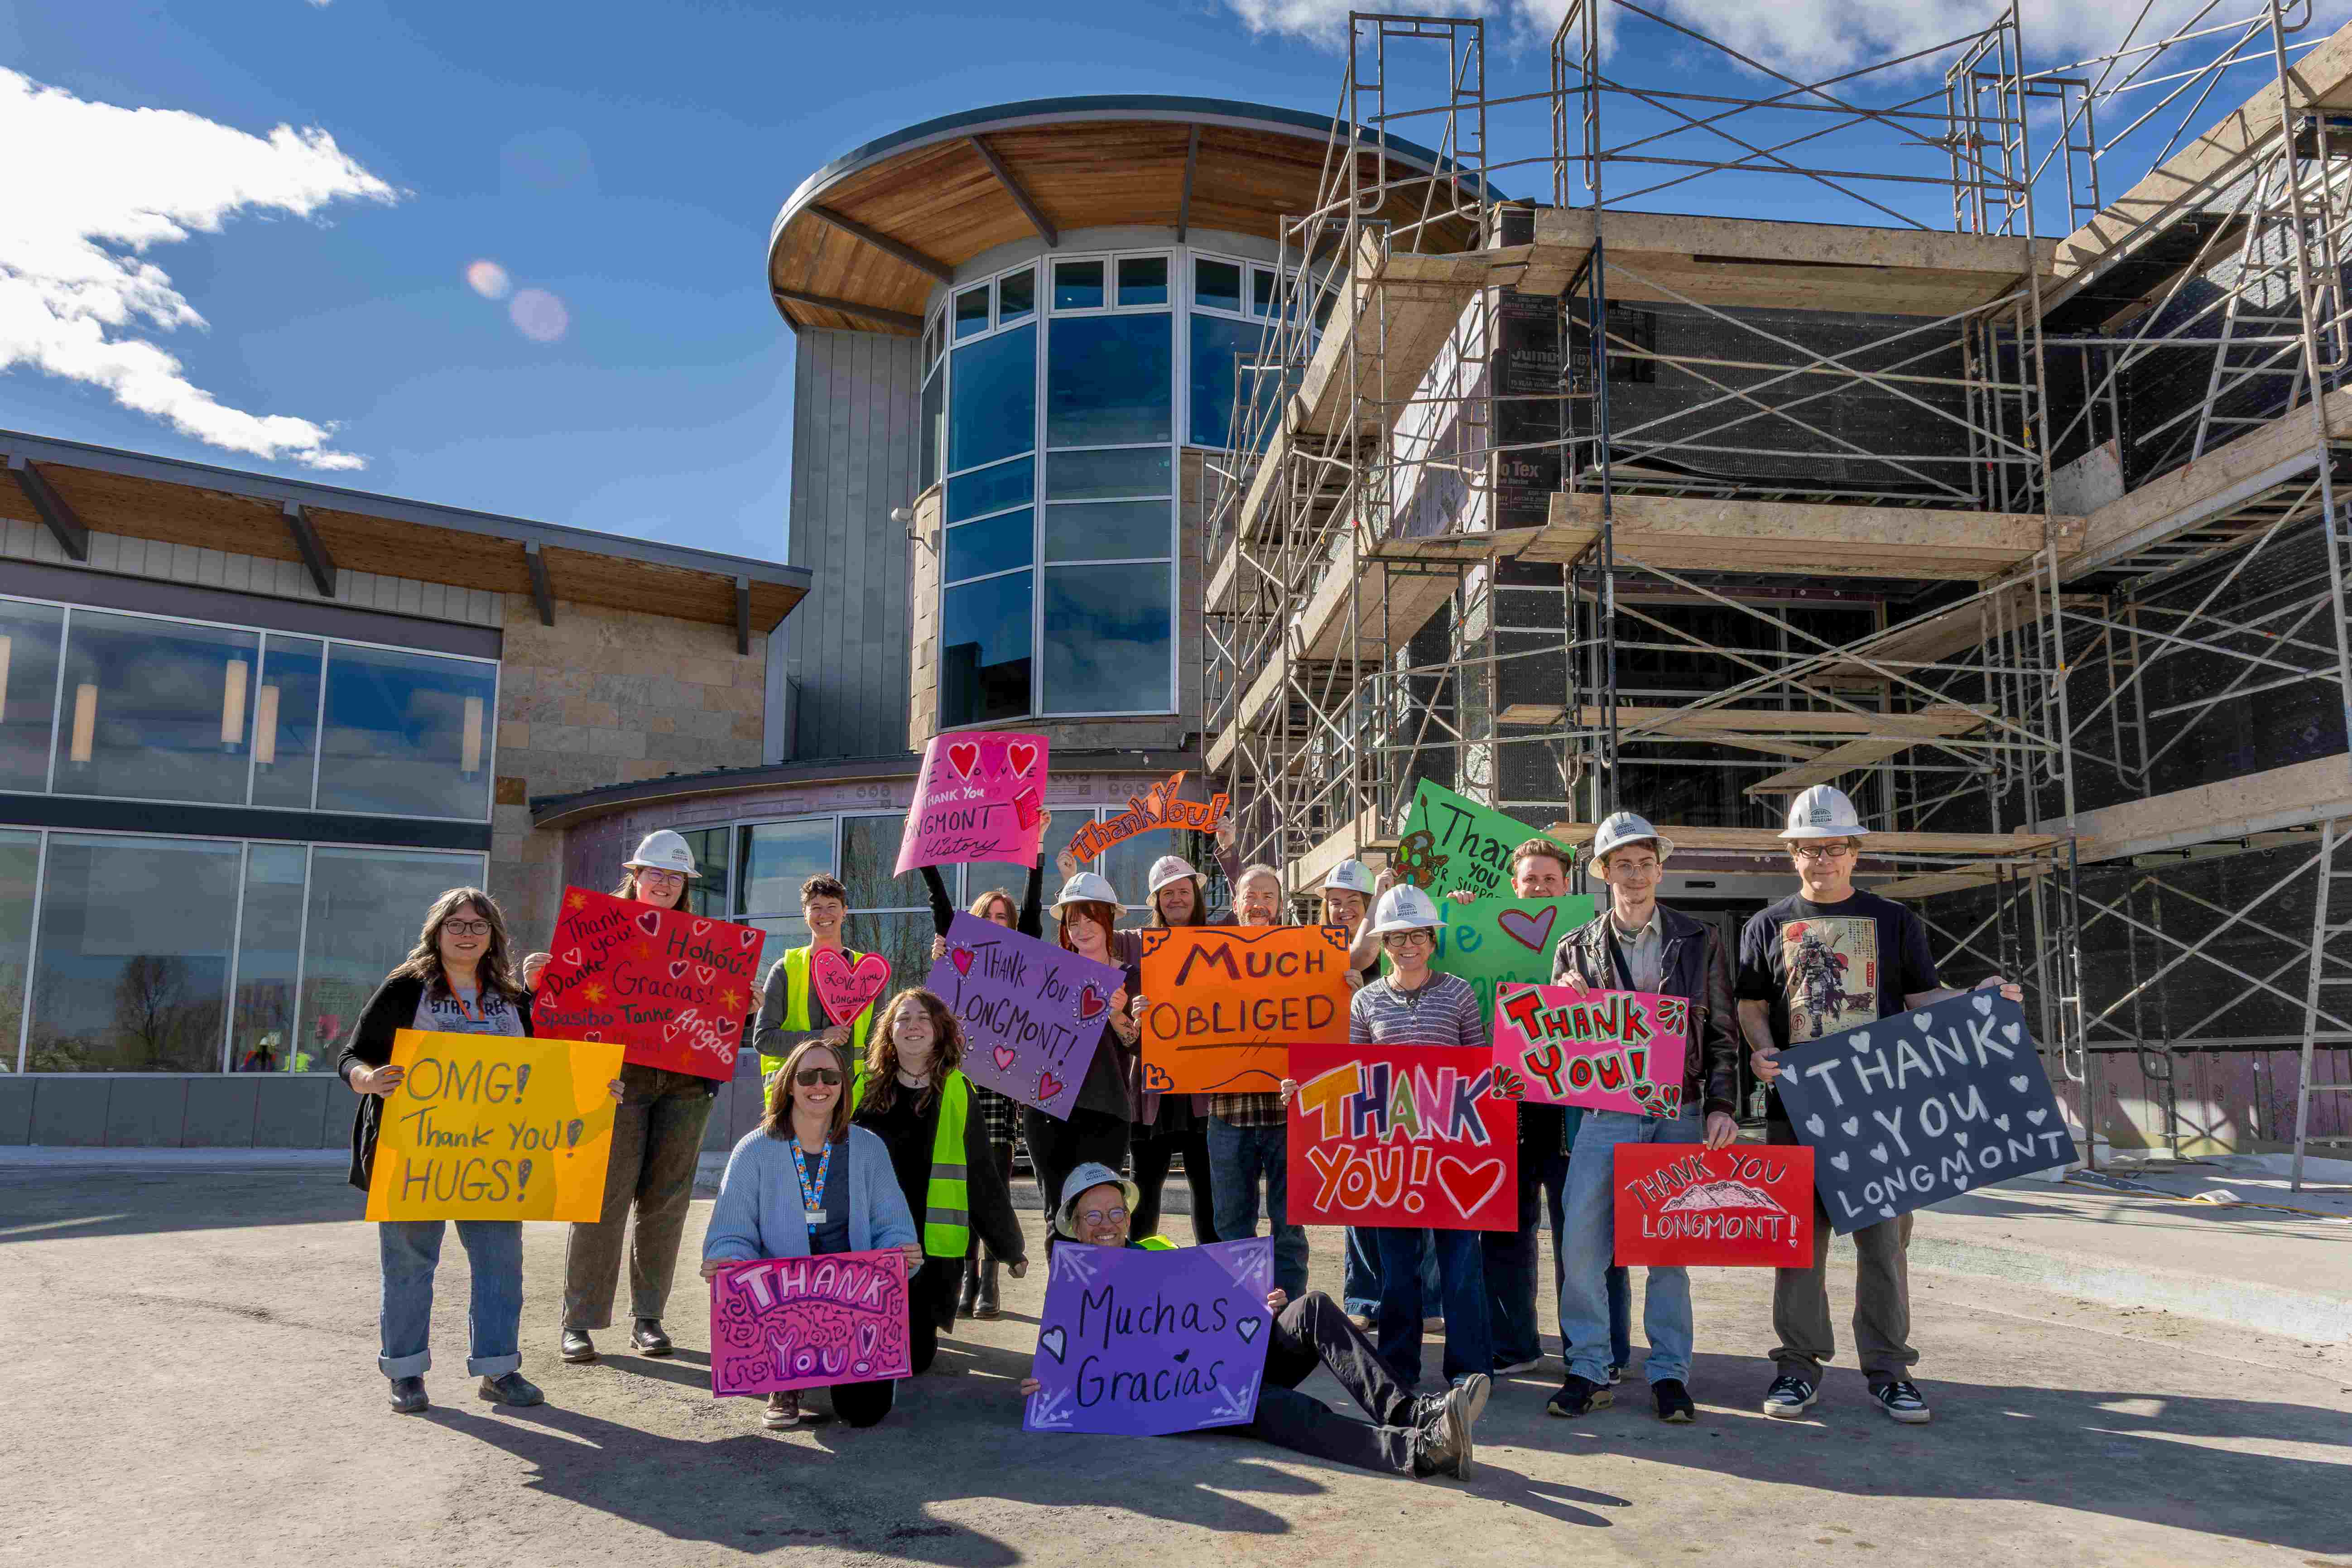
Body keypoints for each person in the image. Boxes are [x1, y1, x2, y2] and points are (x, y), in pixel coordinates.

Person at [1737, 785, 2023, 1426]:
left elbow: (1922, 999)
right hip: (1798, 1108)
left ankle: (1890, 1372)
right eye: (1808, 849)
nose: (1821, 859)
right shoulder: (1765, 925)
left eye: (1832, 847)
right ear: (1793, 855)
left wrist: (1978, 998)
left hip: (1879, 1111)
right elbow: (1752, 1003)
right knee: (1798, 1247)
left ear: (1853, 852)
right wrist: (1760, 1050)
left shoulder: (1895, 922)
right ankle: (1797, 1368)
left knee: (1882, 1249)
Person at [1015, 1163, 1488, 1479]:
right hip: (1189, 1397)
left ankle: (1413, 1413)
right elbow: (1068, 1368)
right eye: (1092, 1215)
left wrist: (1260, 1309)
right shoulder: (1072, 1290)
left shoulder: (1160, 1252)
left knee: (1313, 1306)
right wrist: (1048, 1387)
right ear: (1071, 1226)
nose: (1106, 1223)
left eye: (1116, 1211)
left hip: (1231, 1360)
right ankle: (1422, 1451)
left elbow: (1210, 1312)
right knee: (1281, 1408)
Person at [338, 886, 620, 1415]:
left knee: (500, 1265)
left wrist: (595, 1091)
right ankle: (406, 1373)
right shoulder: (405, 990)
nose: (467, 934)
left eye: (477, 925)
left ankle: (498, 1371)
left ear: (493, 935)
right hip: (415, 1155)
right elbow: (352, 1055)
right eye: (456, 924)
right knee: (409, 1266)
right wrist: (368, 1079)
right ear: (436, 932)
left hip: (496, 1159)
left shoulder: (515, 1000)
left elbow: (553, 1073)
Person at [1544, 812, 1742, 1423]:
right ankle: (1589, 1365)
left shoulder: (1698, 937)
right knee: (1581, 1244)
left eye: (1645, 861)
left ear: (1661, 866)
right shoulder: (1574, 948)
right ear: (1602, 872)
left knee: (1668, 1249)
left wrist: (1720, 1104)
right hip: (1607, 1112)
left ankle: (1669, 1374)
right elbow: (1557, 1048)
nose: (1635, 874)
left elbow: (1722, 1031)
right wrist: (1566, 1002)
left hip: (1679, 1109)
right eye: (1622, 863)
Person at [517, 830, 723, 1367]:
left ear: (685, 887)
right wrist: (541, 982)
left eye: (675, 877)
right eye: (655, 873)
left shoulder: (707, 945)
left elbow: (717, 1016)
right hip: (616, 1081)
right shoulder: (597, 933)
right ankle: (579, 1322)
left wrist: (739, 1006)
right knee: (601, 1199)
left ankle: (648, 1318)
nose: (664, 884)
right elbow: (558, 1009)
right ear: (634, 877)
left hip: (685, 1082)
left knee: (667, 1204)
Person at [701, 1037, 924, 1429]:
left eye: (830, 1077)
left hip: (852, 1296)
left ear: (843, 1085)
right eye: (807, 1076)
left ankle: (843, 1367)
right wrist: (728, 1262)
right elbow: (731, 1232)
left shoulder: (868, 1148)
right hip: (782, 1299)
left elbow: (892, 1225)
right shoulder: (753, 1150)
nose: (819, 1086)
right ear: (789, 1084)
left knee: (864, 1413)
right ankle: (784, 1383)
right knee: (770, 1304)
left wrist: (899, 1252)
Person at [1348, 883, 1494, 1390]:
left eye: (1417, 936)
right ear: (1383, 945)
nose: (1407, 946)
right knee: (1398, 1271)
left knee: (1460, 1267)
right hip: (1392, 1158)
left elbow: (1479, 1064)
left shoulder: (1458, 992)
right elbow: (1355, 1078)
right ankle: (1398, 1368)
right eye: (1395, 938)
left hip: (1456, 1156)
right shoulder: (1365, 1002)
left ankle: (1470, 1370)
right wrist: (1306, 1090)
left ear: (1433, 939)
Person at [850, 989, 1029, 1371]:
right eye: (903, 1018)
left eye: (923, 1019)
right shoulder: (858, 1086)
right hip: (868, 1238)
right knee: (865, 1351)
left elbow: (982, 1176)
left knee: (912, 1361)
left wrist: (1009, 1248)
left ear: (939, 1031)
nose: (912, 1026)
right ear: (889, 1031)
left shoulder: (958, 1091)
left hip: (930, 1246)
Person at [923, 853, 1048, 1320]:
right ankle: (968, 1277)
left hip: (1002, 1083)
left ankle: (990, 1282)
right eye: (989, 916)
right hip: (961, 1079)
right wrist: (926, 854)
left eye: (1004, 918)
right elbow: (939, 903)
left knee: (993, 1179)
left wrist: (1036, 853)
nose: (998, 923)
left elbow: (1035, 914)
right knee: (962, 1178)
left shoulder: (1022, 959)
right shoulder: (959, 954)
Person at [1203, 863, 1313, 1300]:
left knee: (1289, 1225)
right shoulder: (1208, 958)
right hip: (1228, 1113)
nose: (1259, 904)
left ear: (1280, 904)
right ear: (1236, 904)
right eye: (1251, 895)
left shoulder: (1308, 955)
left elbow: (1324, 1020)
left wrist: (1343, 986)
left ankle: (1292, 1321)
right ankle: (1240, 1310)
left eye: (1268, 896)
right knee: (1232, 1223)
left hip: (1287, 1114)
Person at [1024, 871, 1140, 1247]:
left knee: (1103, 1214)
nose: (1083, 929)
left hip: (1106, 1112)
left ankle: (1102, 1302)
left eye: (1091, 919)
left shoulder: (1130, 977)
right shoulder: (1048, 973)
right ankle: (1063, 1304)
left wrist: (1117, 1014)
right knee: (1057, 1214)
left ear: (1108, 921)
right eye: (1074, 922)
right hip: (1046, 1112)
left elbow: (1139, 1046)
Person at [1127, 851, 1225, 1245]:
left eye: (1183, 891)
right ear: (1155, 902)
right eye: (1166, 893)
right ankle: (1131, 1277)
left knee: (1208, 1194)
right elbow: (1086, 937)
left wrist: (1230, 855)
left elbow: (1249, 907)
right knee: (1143, 1197)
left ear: (1196, 896)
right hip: (1152, 1093)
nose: (1176, 900)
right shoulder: (1136, 944)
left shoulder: (1222, 940)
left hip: (1203, 1092)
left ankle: (1213, 1279)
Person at [755, 874, 878, 1086]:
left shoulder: (868, 971)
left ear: (844, 912)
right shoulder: (785, 968)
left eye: (832, 906)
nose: (824, 914)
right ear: (805, 914)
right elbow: (763, 1040)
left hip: (855, 1095)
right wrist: (820, 1037)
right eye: (816, 907)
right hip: (796, 1096)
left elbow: (880, 1040)